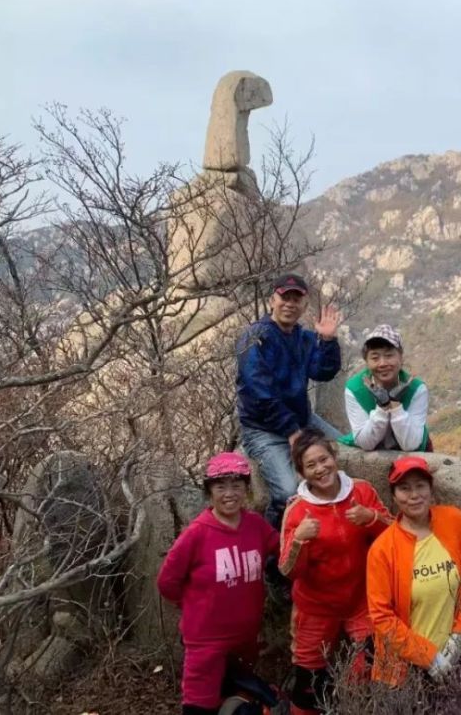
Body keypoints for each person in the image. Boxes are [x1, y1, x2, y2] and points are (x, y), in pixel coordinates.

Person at [279, 428, 393, 715]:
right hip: (315, 607)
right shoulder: (297, 510)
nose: (320, 469)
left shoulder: (361, 491)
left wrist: (371, 519)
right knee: (308, 686)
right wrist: (300, 540)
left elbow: (395, 535)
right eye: (311, 465)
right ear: (302, 473)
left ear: (334, 456)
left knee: (368, 671)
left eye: (323, 459)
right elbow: (288, 570)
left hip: (360, 601)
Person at [157, 453, 279, 715]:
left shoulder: (255, 525)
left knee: (240, 701)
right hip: (206, 642)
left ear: (247, 488)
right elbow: (167, 582)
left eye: (237, 485)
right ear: (209, 491)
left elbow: (282, 549)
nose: (229, 493)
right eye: (220, 486)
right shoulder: (197, 534)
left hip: (245, 640)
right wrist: (194, 605)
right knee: (200, 706)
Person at [236, 272, 343, 529]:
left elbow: (323, 372)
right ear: (273, 299)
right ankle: (275, 547)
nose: (290, 304)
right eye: (285, 297)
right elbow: (259, 392)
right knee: (287, 491)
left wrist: (328, 341)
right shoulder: (256, 337)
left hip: (301, 420)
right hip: (263, 428)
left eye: (296, 299)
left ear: (304, 305)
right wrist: (292, 432)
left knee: (345, 451)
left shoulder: (303, 338)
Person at [366, 456, 461, 689]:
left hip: (454, 655)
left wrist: (459, 636)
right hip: (405, 668)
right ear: (394, 496)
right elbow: (382, 617)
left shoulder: (452, 520)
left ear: (430, 489)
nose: (414, 495)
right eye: (404, 488)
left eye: (420, 486)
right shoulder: (383, 550)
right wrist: (428, 656)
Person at [340, 324, 431, 452]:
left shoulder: (417, 389)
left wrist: (396, 406)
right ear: (366, 362)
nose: (382, 363)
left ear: (400, 357)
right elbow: (365, 443)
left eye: (389, 356)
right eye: (375, 358)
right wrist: (382, 408)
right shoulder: (355, 389)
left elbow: (411, 445)